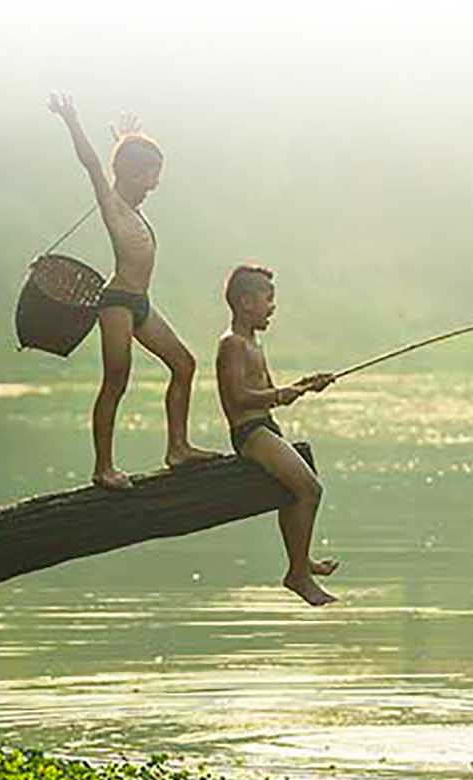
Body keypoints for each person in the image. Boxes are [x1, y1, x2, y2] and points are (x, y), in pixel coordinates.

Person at [48, 91, 220, 490]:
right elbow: (94, 166)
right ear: (130, 176)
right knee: (116, 381)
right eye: (150, 175)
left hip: (141, 303)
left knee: (184, 364)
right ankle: (103, 468)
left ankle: (178, 448)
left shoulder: (132, 202)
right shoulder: (114, 206)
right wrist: (72, 120)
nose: (155, 184)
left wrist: (126, 141)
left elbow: (121, 167)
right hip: (117, 304)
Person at [215, 264, 341, 605]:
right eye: (267, 299)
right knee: (310, 488)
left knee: (292, 492)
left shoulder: (254, 343)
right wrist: (281, 393)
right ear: (245, 302)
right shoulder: (233, 344)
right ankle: (297, 574)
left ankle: (301, 561)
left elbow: (269, 391)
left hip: (266, 427)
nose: (272, 307)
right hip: (249, 432)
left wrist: (305, 386)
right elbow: (237, 397)